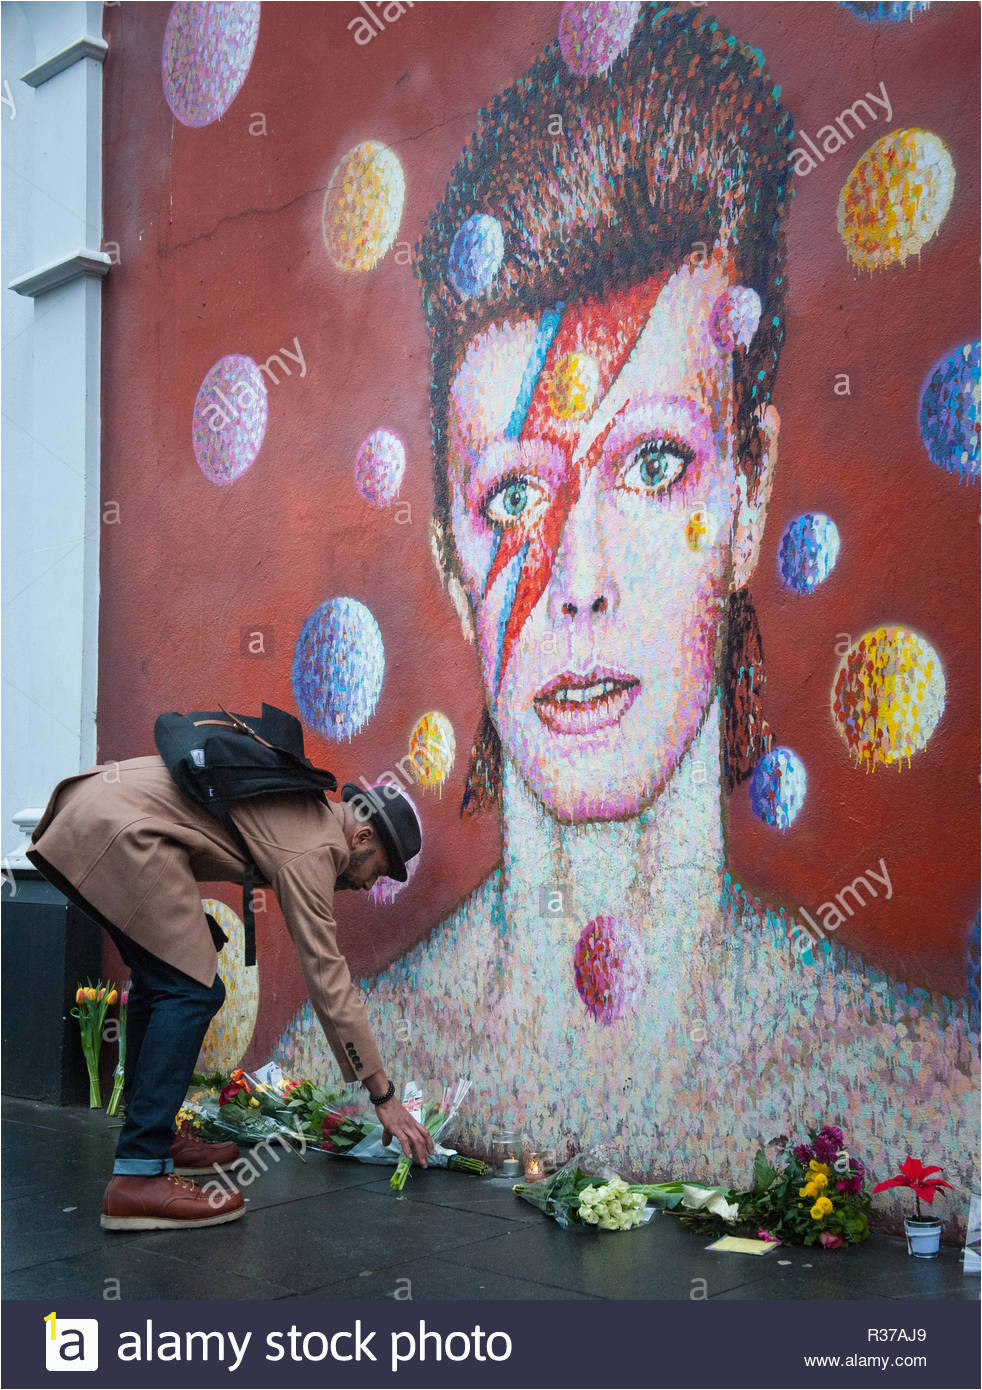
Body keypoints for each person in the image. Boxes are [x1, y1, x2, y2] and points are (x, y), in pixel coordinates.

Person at [274, 3, 979, 1216]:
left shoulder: (927, 1101)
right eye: (512, 499)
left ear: (751, 490)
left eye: (652, 466)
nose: (577, 577)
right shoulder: (338, 1066)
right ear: (450, 560)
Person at [26, 753, 432, 1230]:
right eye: (378, 870)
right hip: (118, 830)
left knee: (166, 981)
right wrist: (383, 1096)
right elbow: (328, 977)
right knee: (191, 990)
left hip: (97, 810)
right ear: (362, 838)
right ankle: (139, 1176)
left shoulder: (306, 813)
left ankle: (153, 1135)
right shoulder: (315, 847)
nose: (368, 885)